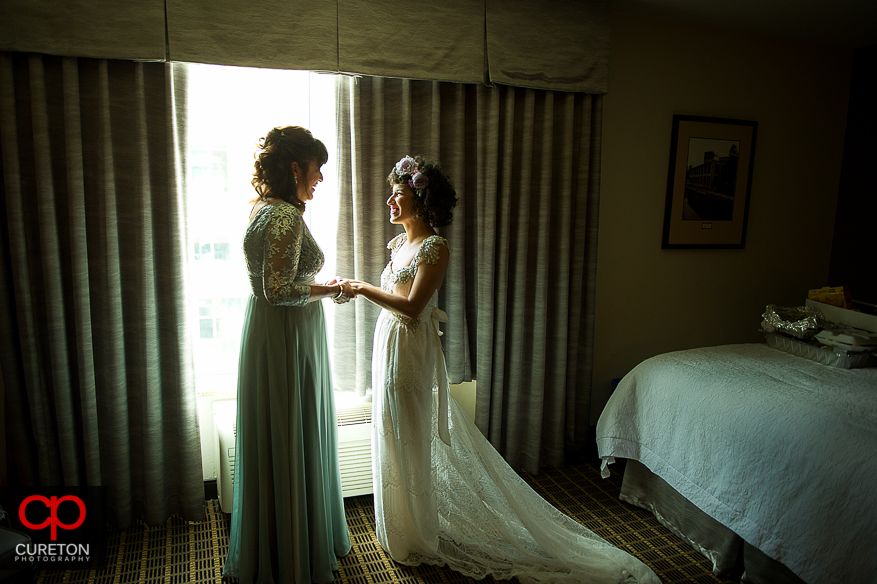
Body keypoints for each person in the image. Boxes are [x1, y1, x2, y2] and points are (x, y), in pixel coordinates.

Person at [345, 156, 661, 584]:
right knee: (389, 427)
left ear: (421, 201)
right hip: (389, 342)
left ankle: (418, 531)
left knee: (411, 432)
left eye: (398, 194)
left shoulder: (435, 247)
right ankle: (400, 526)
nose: (389, 201)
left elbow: (416, 307)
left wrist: (361, 288)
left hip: (410, 347)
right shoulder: (398, 245)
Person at [223, 126, 352, 583]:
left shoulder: (263, 209)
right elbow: (279, 290)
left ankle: (276, 541)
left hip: (268, 331)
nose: (319, 180)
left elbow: (269, 284)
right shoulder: (284, 217)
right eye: (316, 170)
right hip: (286, 335)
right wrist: (332, 289)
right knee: (290, 428)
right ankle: (292, 554)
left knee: (279, 432)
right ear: (295, 167)